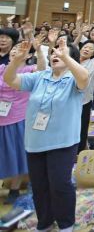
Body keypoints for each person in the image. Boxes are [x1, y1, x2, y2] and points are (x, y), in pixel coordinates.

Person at [3, 39, 89, 232]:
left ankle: (66, 224)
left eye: (60, 53)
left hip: (63, 141)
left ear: (71, 58)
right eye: (53, 53)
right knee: (40, 187)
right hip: (35, 141)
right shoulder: (40, 77)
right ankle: (45, 223)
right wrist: (16, 62)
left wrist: (66, 54)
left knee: (60, 184)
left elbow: (84, 78)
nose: (55, 55)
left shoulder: (73, 80)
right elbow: (11, 80)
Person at [0, 37, 45, 204]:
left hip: (19, 116)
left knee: (17, 154)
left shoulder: (29, 70)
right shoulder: (2, 68)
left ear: (26, 55)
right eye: (13, 52)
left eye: (18, 52)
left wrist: (39, 50)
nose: (14, 53)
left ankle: (14, 188)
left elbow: (42, 69)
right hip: (1, 116)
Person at [78, 39, 94, 153]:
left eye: (91, 49)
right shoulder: (71, 61)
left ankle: (79, 152)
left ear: (93, 54)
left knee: (82, 128)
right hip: (67, 101)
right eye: (85, 47)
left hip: (84, 101)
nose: (87, 49)